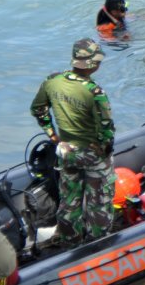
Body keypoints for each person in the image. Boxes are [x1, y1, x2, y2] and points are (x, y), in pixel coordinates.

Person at [30, 38, 116, 247]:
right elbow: (106, 128)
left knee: (70, 199)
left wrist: (52, 135)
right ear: (92, 64)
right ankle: (98, 243)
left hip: (66, 151)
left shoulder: (52, 82)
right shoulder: (95, 93)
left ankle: (71, 240)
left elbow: (38, 109)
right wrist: (105, 148)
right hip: (92, 154)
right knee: (100, 202)